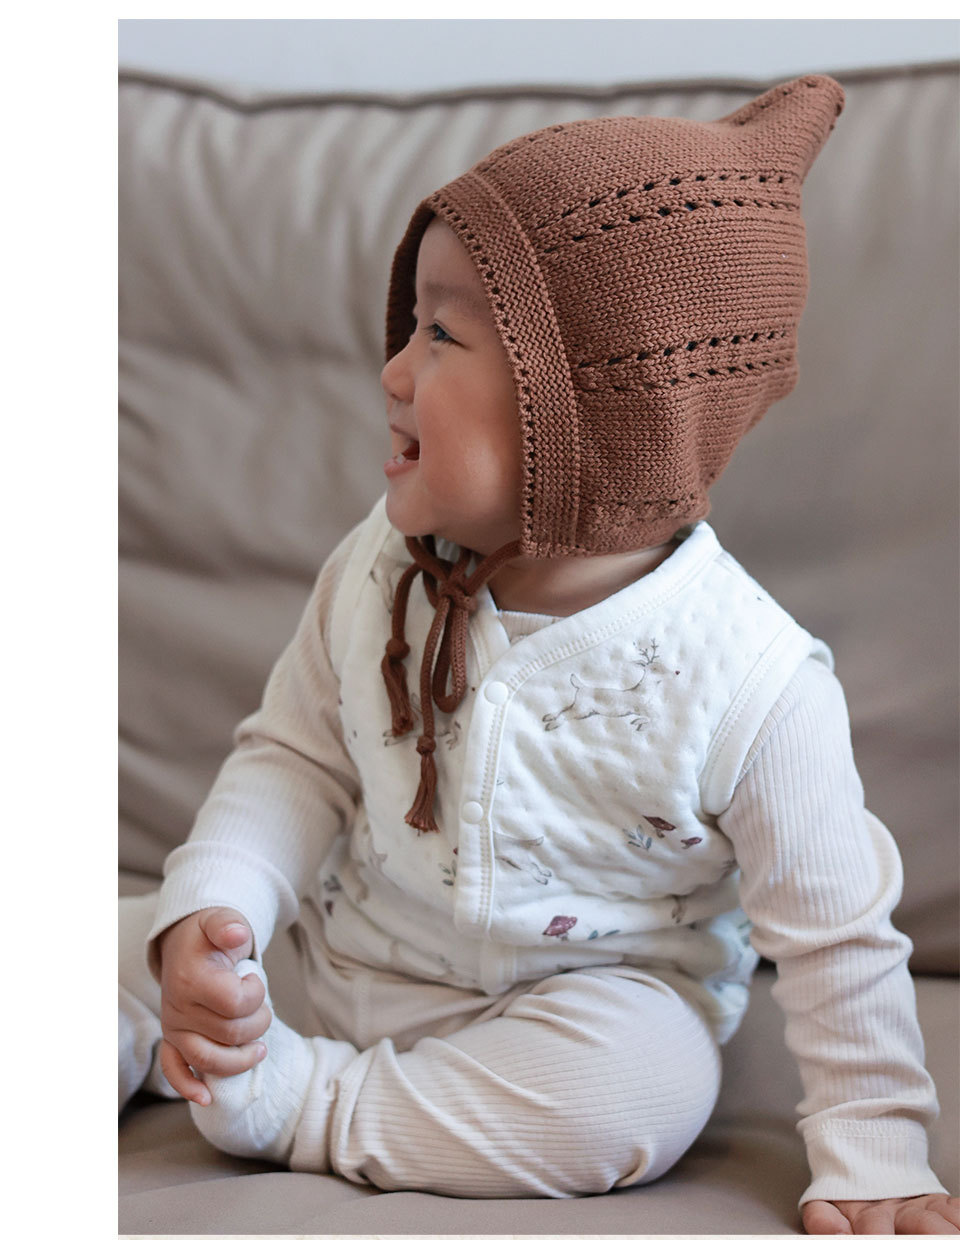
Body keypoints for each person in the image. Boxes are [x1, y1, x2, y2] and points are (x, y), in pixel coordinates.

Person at [118, 74, 959, 1234]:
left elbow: (835, 936)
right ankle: (190, 1031)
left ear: (591, 420)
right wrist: (218, 917)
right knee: (107, 934)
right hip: (332, 952)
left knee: (644, 1086)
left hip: (572, 1011)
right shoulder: (381, 570)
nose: (392, 371)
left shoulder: (754, 682)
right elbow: (292, 758)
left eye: (439, 334)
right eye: (409, 326)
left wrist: (875, 1148)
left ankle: (298, 1100)